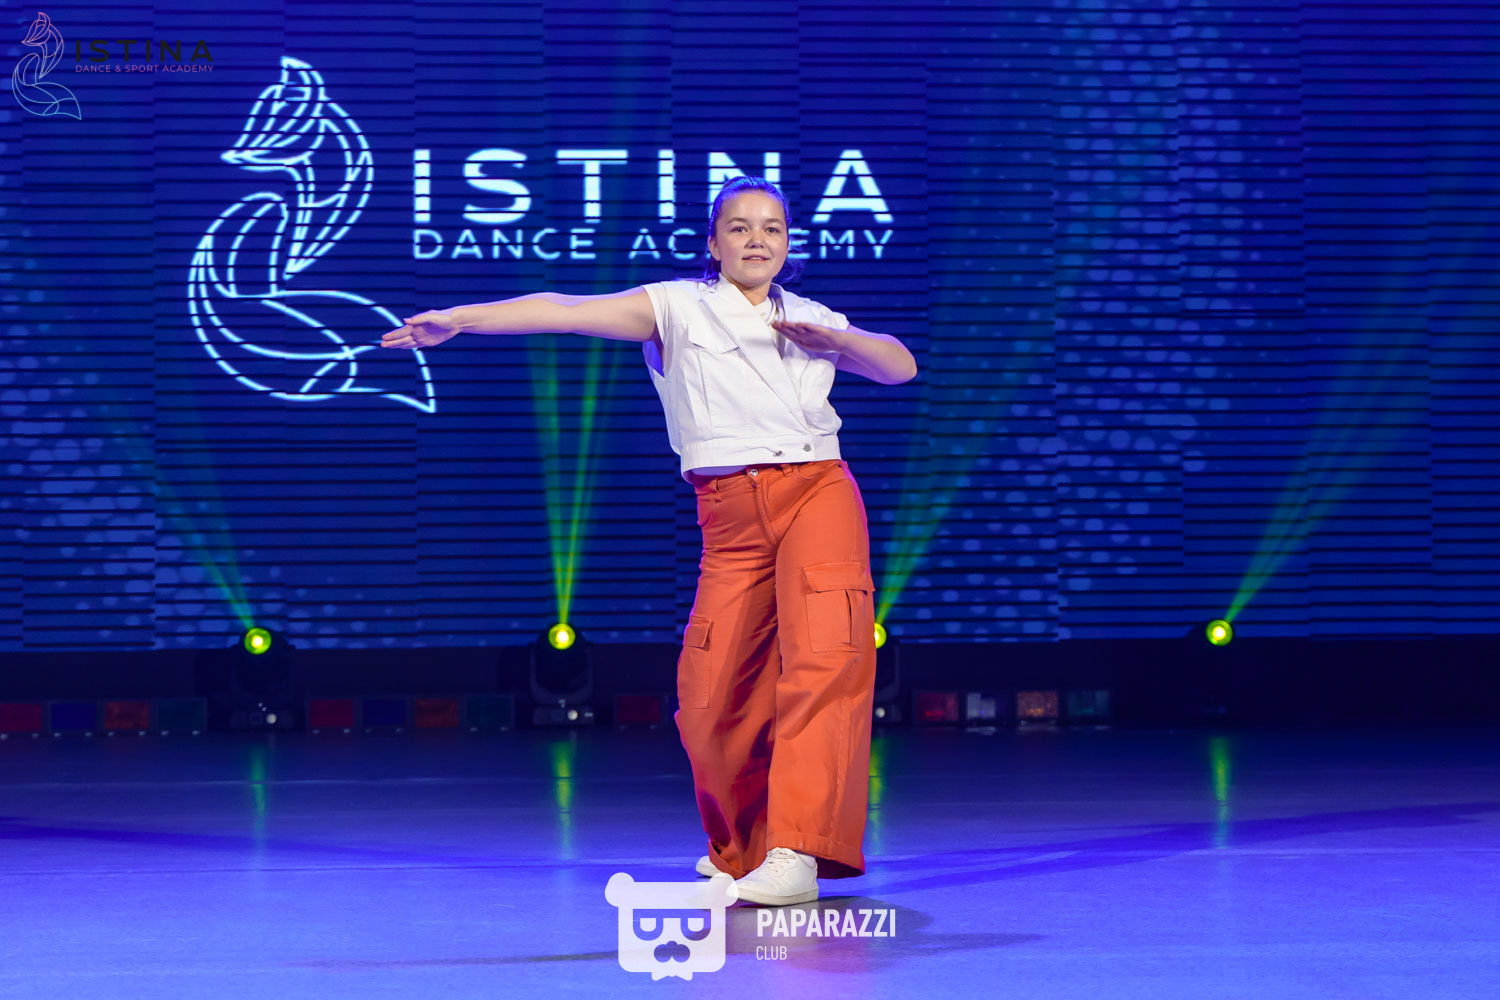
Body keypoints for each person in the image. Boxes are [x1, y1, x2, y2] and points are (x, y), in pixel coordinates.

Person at [382, 176, 917, 905]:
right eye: (739, 227)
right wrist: (460, 319)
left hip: (817, 492)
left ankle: (797, 851)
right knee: (709, 693)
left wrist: (841, 341)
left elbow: (898, 365)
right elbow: (564, 310)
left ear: (788, 243)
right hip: (729, 512)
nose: (757, 240)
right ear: (713, 243)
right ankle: (742, 848)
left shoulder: (810, 316)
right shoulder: (677, 305)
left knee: (823, 661)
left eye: (771, 228)